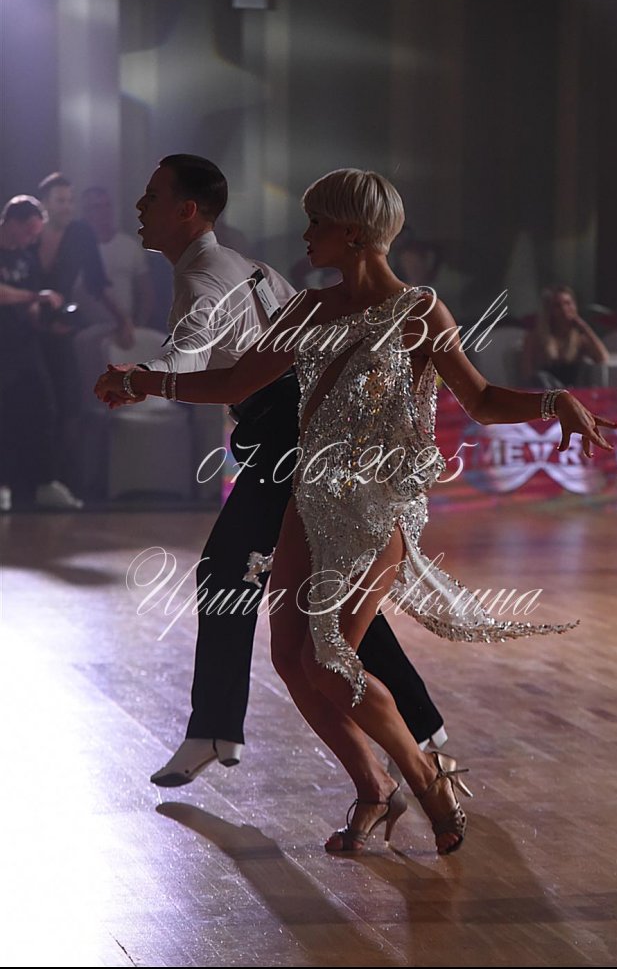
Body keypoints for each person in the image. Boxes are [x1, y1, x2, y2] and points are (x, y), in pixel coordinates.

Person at [97, 168, 617, 856]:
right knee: (290, 658)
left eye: (316, 222)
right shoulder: (308, 308)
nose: (305, 234)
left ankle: (426, 777)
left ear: (353, 232)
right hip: (308, 497)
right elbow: (233, 381)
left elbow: (482, 398)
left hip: (377, 506)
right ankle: (373, 788)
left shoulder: (419, 312)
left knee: (331, 661)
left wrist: (556, 401)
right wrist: (144, 379)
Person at [95, 154, 447, 787]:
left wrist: (140, 377)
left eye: (152, 196)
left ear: (187, 210)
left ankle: (219, 731)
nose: (140, 208)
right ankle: (421, 730)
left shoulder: (202, 277)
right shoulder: (245, 265)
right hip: (292, 430)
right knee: (321, 591)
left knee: (237, 576)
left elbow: (194, 348)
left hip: (286, 435)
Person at [0, 195, 83, 510]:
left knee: (42, 408)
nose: (31, 239)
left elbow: (31, 307)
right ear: (12, 222)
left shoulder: (27, 258)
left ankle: (45, 482)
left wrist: (49, 322)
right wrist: (35, 296)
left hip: (25, 346)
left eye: (36, 234)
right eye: (28, 231)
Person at [81, 186, 156, 326]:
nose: (104, 212)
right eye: (97, 207)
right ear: (86, 212)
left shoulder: (129, 246)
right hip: (90, 329)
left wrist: (139, 325)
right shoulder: (78, 248)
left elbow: (146, 292)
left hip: (127, 327)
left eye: (107, 206)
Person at [522, 285, 609, 388]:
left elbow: (602, 358)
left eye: (568, 303)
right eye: (557, 306)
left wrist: (585, 328)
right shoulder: (535, 338)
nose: (564, 309)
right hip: (545, 392)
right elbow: (527, 375)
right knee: (541, 377)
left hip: (571, 393)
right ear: (549, 311)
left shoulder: (579, 339)